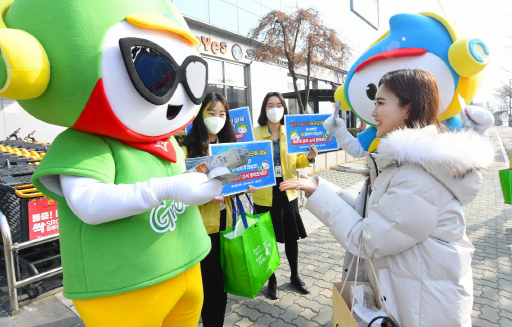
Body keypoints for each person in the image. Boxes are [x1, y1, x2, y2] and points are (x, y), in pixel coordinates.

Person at [280, 69, 494, 326]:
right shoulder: (403, 164)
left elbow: (366, 238)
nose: (372, 113)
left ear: (408, 108)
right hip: (405, 301)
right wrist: (320, 187)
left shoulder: (417, 177)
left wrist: (319, 193)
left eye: (380, 103)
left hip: (422, 311)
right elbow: (368, 217)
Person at [180, 92, 255, 327]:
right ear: (200, 115)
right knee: (206, 286)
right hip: (200, 230)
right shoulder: (186, 148)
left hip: (227, 226)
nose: (217, 118)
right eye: (211, 113)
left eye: (222, 114)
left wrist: (247, 185)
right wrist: (204, 197)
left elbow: (234, 185)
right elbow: (177, 192)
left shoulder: (231, 148)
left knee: (219, 287)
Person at [252, 92, 318, 300]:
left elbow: (299, 161)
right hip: (264, 192)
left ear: (284, 108)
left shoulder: (291, 132)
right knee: (268, 240)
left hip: (287, 190)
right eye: (270, 105)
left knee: (291, 237)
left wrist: (309, 157)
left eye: (278, 104)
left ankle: (295, 276)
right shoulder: (254, 133)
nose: (274, 108)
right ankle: (271, 280)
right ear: (264, 109)